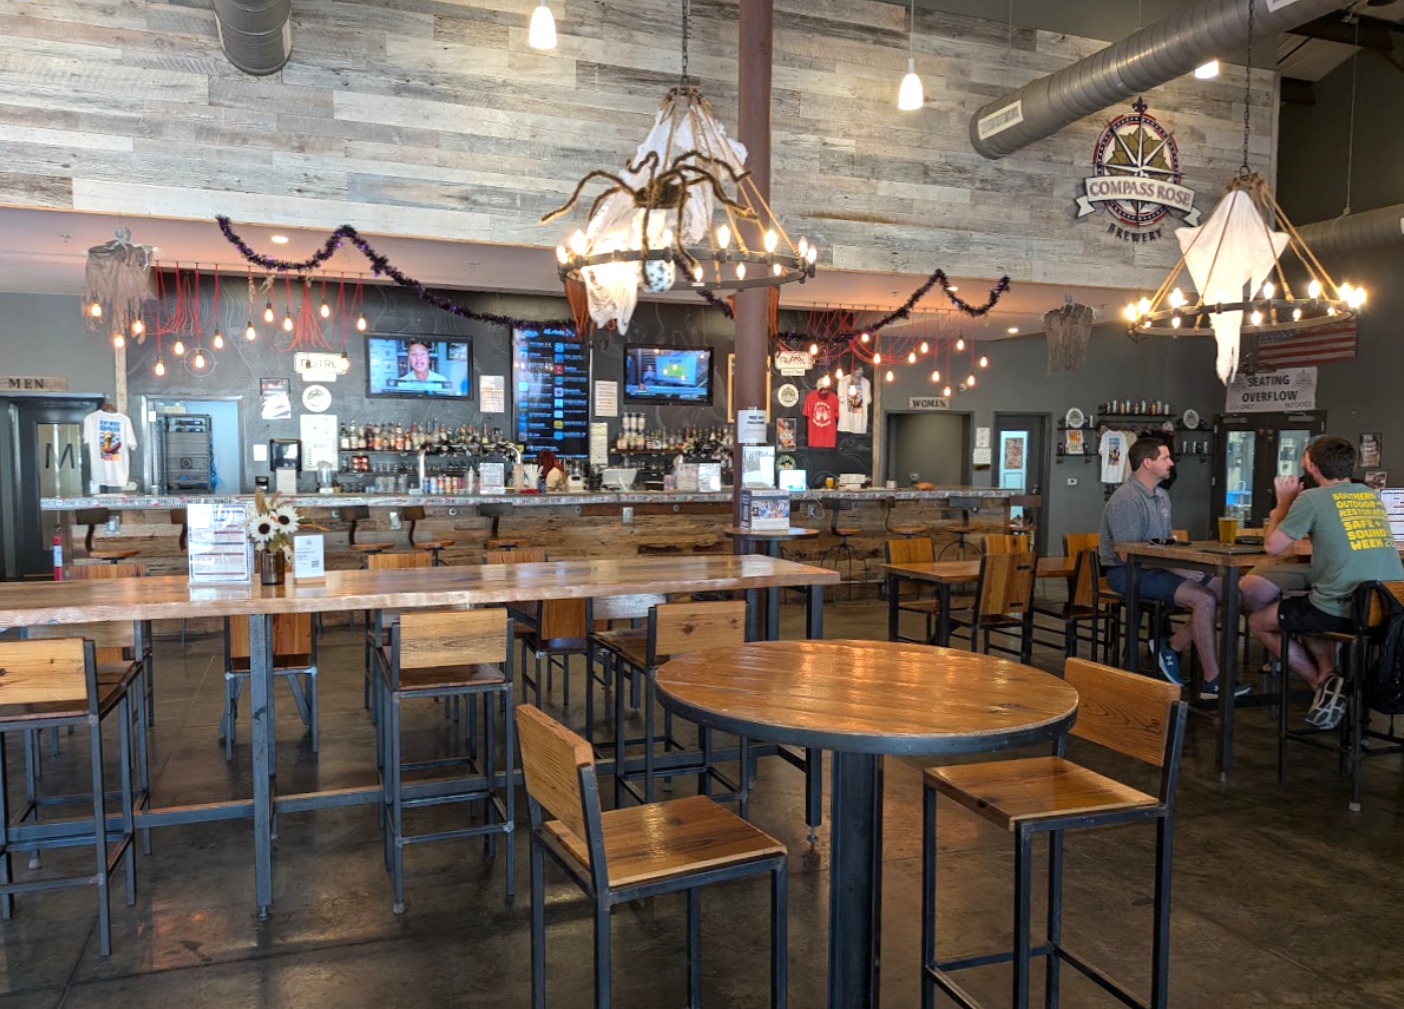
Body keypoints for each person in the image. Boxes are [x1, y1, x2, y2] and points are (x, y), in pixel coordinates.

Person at [1247, 436, 1404, 730]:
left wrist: (1283, 502)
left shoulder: (1311, 498)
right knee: (1306, 605)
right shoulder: (1370, 494)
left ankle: (1322, 682)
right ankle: (1330, 675)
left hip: (1344, 611)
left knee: (1259, 621)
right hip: (1388, 611)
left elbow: (1273, 546)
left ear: (1311, 466)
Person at [1099, 439, 1247, 699]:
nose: (1171, 463)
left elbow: (1163, 543)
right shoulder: (1126, 499)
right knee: (1203, 599)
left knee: (1233, 594)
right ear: (1148, 463)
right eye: (1166, 458)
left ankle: (1172, 646)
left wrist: (1181, 562)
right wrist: (1179, 569)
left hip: (1158, 567)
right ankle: (1212, 681)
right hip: (1127, 573)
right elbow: (1127, 554)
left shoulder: (1162, 496)